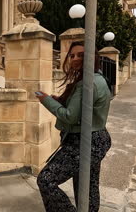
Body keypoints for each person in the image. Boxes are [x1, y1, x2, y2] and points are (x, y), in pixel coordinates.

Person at [35, 41, 112, 212]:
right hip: (98, 138)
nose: (75, 59)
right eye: (72, 55)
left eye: (81, 55)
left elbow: (70, 116)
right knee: (87, 188)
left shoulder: (87, 83)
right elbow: (84, 108)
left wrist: (46, 100)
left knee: (46, 180)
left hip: (83, 142)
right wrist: (60, 100)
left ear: (93, 57)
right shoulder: (98, 78)